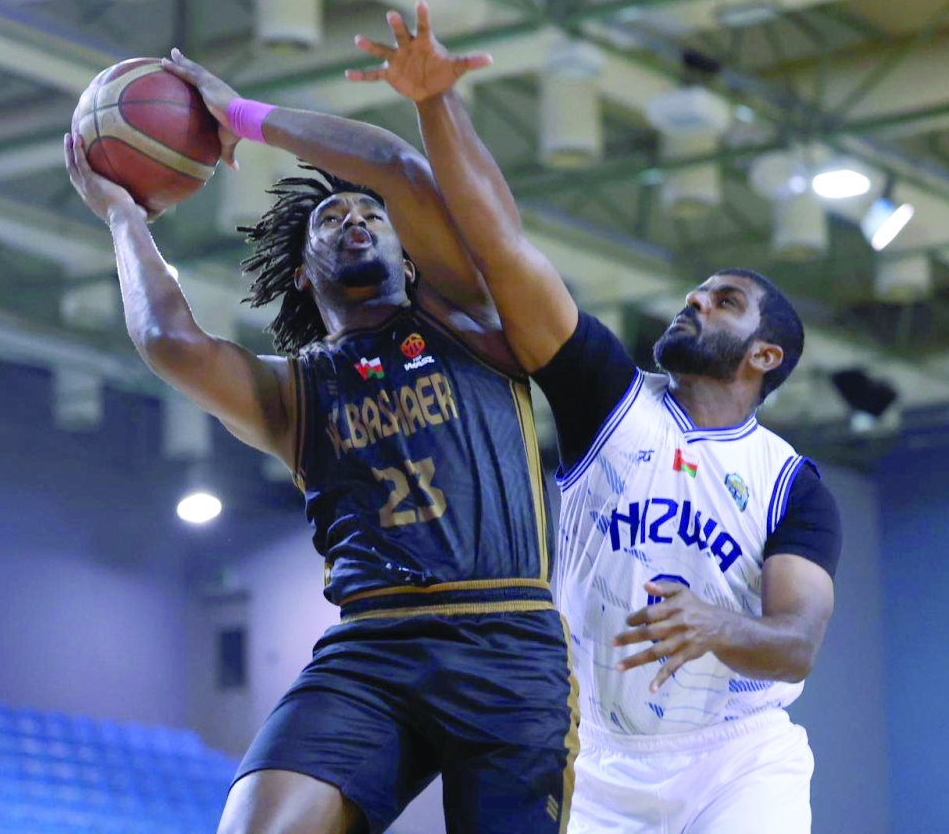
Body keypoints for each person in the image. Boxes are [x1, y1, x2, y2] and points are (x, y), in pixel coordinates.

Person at [349, 1, 843, 834]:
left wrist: (714, 622)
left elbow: (795, 642)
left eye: (724, 302)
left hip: (736, 752)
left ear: (767, 356)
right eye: (695, 292)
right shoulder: (610, 398)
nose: (695, 302)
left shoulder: (792, 483)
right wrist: (435, 102)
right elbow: (506, 250)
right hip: (602, 755)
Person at [63, 53, 579, 834]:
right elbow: (168, 341)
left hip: (504, 639)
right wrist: (124, 218)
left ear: (406, 254)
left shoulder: (468, 319)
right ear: (304, 275)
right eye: (331, 220)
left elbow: (392, 163)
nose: (356, 220)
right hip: (372, 646)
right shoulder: (293, 391)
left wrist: (240, 116)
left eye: (370, 217)